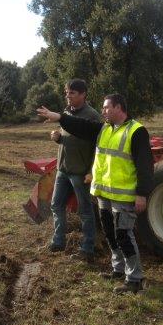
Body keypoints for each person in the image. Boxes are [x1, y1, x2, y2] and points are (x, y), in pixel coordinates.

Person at [37, 93, 154, 294]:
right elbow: (81, 126)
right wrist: (60, 117)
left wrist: (142, 194)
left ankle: (135, 279)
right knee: (110, 233)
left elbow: (145, 166)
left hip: (123, 196)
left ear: (119, 108)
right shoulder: (104, 129)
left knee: (124, 235)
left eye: (107, 107)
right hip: (103, 193)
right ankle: (118, 270)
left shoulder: (136, 132)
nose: (103, 111)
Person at [47, 79, 101, 262]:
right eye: (66, 93)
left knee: (85, 210)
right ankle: (58, 241)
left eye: (72, 93)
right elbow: (67, 138)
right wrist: (58, 138)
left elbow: (97, 146)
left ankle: (88, 247)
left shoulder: (92, 116)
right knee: (56, 205)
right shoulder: (66, 113)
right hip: (63, 169)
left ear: (83, 94)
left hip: (80, 171)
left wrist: (91, 170)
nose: (68, 96)